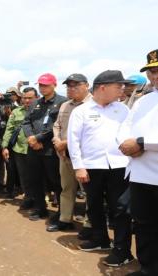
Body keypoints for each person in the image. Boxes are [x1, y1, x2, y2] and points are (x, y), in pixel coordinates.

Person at [68, 70, 133, 266]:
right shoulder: (81, 111)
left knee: (120, 209)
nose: (123, 89)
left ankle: (122, 251)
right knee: (94, 205)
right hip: (91, 167)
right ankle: (100, 239)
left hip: (120, 166)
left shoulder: (123, 110)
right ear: (103, 87)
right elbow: (73, 141)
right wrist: (79, 167)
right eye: (118, 86)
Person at [119, 49, 158, 276]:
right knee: (143, 225)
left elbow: (140, 139)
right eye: (151, 72)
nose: (155, 76)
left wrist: (142, 143)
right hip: (141, 174)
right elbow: (125, 126)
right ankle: (148, 269)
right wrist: (125, 143)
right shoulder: (143, 100)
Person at [47, 74, 92, 232]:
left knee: (89, 192)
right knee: (67, 188)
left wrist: (65, 143)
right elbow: (57, 125)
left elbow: (90, 132)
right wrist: (57, 140)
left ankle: (89, 224)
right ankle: (65, 219)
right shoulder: (65, 105)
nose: (71, 89)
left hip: (85, 156)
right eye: (69, 86)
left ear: (87, 85)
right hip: (64, 155)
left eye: (76, 85)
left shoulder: (94, 105)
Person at [22, 73, 67, 221]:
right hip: (33, 148)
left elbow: (56, 125)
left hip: (51, 149)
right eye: (40, 85)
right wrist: (31, 138)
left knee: (56, 181)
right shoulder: (35, 103)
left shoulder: (62, 102)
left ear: (54, 84)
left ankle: (62, 212)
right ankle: (40, 209)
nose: (43, 88)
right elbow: (26, 122)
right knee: (35, 180)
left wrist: (38, 138)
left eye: (46, 85)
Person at [1, 87, 39, 202]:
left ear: (37, 98)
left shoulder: (41, 111)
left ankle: (39, 200)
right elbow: (9, 129)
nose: (27, 101)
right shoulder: (16, 112)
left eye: (30, 98)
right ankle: (28, 198)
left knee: (38, 176)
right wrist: (5, 147)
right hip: (19, 149)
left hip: (37, 149)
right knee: (23, 176)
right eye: (25, 98)